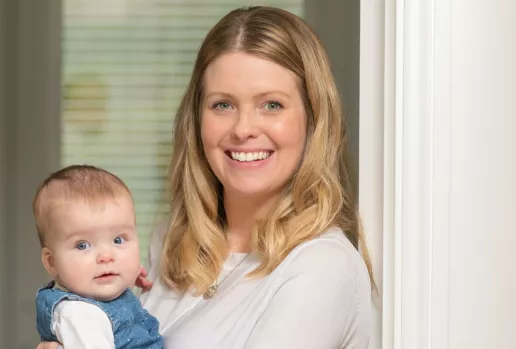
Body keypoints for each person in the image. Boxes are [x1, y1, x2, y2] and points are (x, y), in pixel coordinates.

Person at [38, 5, 374, 349]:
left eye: (272, 104)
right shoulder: (167, 243)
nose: (243, 129)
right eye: (222, 105)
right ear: (197, 119)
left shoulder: (322, 268)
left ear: (314, 119)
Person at [32, 165, 164, 349]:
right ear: (52, 262)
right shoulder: (80, 314)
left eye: (118, 240)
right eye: (82, 245)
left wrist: (128, 273)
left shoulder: (96, 294)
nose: (106, 257)